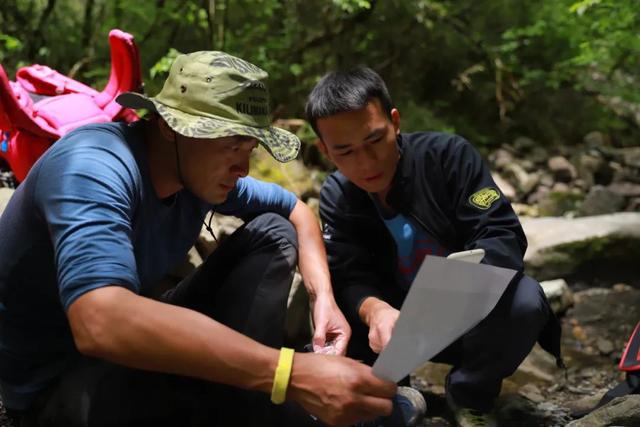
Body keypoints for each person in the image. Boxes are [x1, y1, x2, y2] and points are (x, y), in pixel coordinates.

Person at [0, 51, 400, 427]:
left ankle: (256, 395)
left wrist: (323, 300)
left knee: (272, 231)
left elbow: (297, 213)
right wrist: (289, 374)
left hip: (130, 351)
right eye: (230, 145)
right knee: (214, 394)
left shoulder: (198, 173)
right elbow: (99, 321)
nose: (242, 166)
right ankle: (267, 399)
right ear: (170, 128)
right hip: (56, 383)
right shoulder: (92, 167)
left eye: (249, 148)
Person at [305, 67, 563, 427]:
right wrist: (375, 311)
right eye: (345, 152)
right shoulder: (338, 195)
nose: (365, 163)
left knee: (526, 299)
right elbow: (349, 274)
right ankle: (389, 399)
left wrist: (458, 288)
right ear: (325, 151)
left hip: (467, 314)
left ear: (395, 122)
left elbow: (501, 233)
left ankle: (469, 395)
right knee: (327, 311)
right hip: (391, 332)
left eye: (375, 141)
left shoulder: (448, 157)